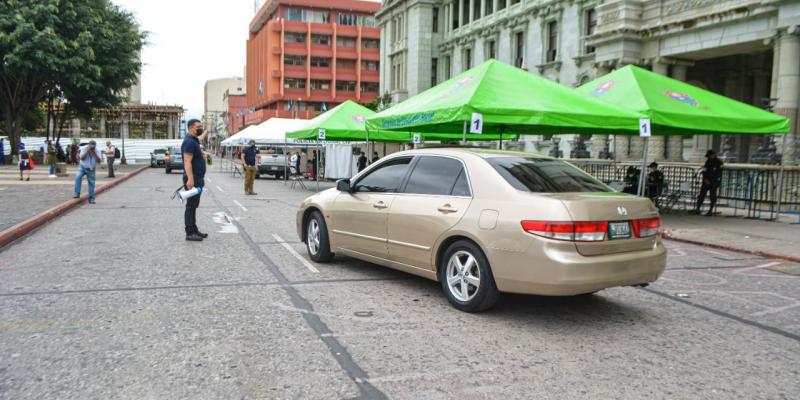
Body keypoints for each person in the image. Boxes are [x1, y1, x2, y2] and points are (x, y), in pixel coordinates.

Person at [182, 119, 209, 241]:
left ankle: (194, 229)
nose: (200, 128)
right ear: (191, 128)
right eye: (198, 127)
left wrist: (208, 130)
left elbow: (201, 138)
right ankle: (189, 232)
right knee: (191, 206)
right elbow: (187, 161)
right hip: (193, 178)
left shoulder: (193, 140)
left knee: (194, 205)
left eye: (201, 126)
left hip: (198, 178)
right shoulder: (189, 142)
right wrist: (190, 179)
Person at [695, 149, 724, 216]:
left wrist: (713, 180)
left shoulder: (719, 162)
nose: (708, 157)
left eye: (709, 156)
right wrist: (705, 179)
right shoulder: (708, 161)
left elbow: (719, 173)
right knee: (701, 195)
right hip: (706, 181)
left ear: (713, 155)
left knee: (712, 196)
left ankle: (710, 210)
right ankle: (698, 209)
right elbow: (704, 170)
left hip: (714, 181)